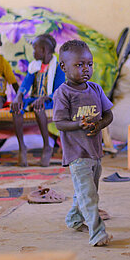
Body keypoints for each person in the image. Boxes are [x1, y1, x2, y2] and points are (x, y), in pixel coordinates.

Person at [52, 40, 113, 246]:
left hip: (94, 151)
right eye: (79, 65)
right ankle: (97, 233)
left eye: (89, 64)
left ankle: (74, 218)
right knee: (89, 195)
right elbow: (59, 123)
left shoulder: (95, 89)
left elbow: (108, 115)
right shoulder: (63, 93)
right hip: (76, 154)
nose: (85, 69)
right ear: (64, 67)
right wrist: (78, 124)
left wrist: (99, 125)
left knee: (88, 191)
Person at [11, 34, 65, 167]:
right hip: (35, 99)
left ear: (45, 50)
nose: (33, 52)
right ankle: (22, 147)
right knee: (16, 108)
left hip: (50, 100)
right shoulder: (34, 66)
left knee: (38, 108)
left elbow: (58, 90)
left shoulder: (58, 68)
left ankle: (47, 146)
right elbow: (25, 84)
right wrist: (19, 95)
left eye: (35, 49)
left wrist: (45, 97)